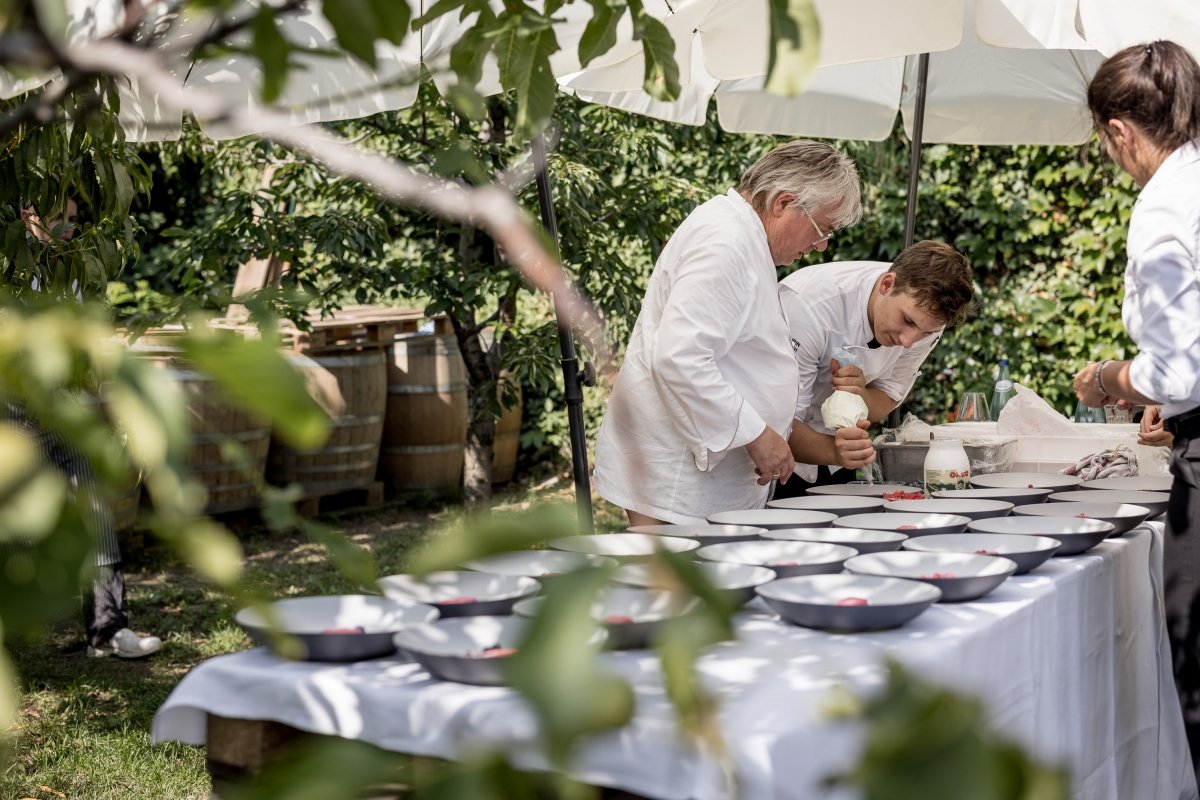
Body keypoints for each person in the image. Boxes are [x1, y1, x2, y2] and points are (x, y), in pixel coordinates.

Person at [593, 140, 863, 525]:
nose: (820, 246)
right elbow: (679, 357)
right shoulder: (726, 243)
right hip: (677, 480)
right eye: (823, 229)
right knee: (676, 583)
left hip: (701, 477)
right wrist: (757, 435)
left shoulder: (741, 234)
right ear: (783, 203)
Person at [1069, 40, 1200, 782]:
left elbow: (1177, 366)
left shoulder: (1162, 207)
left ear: (1120, 131)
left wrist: (1108, 380)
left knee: (1198, 666)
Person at [11, 199, 162, 659]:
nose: (73, 231)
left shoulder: (73, 275)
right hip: (14, 414)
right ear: (29, 215)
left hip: (66, 411)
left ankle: (108, 631)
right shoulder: (11, 271)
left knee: (94, 511)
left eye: (75, 221)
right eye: (64, 221)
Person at [772, 241, 974, 498]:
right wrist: (835, 451)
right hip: (774, 457)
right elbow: (780, 423)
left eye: (925, 333)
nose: (908, 341)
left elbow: (888, 394)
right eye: (907, 321)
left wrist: (862, 395)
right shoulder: (809, 307)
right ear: (887, 284)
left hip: (840, 457)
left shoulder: (928, 319)